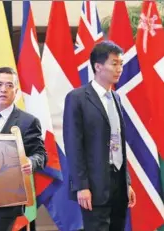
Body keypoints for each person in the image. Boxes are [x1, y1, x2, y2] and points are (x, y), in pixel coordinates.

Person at [63, 40, 136, 231]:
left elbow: (118, 143)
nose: (119, 68)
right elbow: (73, 145)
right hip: (93, 186)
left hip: (118, 183)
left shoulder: (116, 98)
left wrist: (126, 182)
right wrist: (81, 186)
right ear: (98, 66)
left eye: (121, 63)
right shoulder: (77, 98)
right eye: (114, 63)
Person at [0, 67, 47, 231]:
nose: (3, 89)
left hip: (8, 199)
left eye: (9, 85)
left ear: (16, 91)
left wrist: (30, 162)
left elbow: (40, 155)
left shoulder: (28, 121)